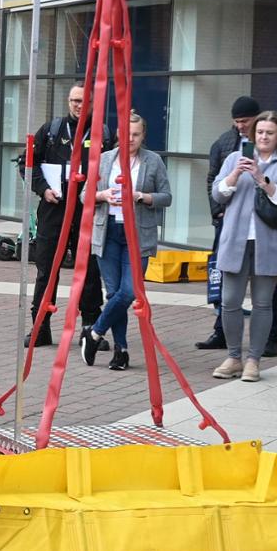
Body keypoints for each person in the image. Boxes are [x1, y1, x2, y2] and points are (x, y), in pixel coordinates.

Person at [210, 112, 277, 382]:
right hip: (235, 240)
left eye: (269, 133)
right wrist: (235, 175)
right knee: (229, 302)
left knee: (263, 304)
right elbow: (217, 194)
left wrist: (263, 178)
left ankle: (254, 360)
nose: (263, 137)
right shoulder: (233, 159)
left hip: (268, 243)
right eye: (259, 132)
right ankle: (233, 357)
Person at [81, 114, 170, 370]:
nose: (130, 139)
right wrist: (103, 194)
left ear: (143, 136)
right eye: (126, 133)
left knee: (129, 292)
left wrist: (141, 196)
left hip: (137, 234)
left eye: (136, 134)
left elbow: (166, 196)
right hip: (108, 232)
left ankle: (94, 333)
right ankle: (121, 351)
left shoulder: (153, 161)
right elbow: (84, 196)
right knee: (113, 294)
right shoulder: (106, 158)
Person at [29, 84, 114, 348]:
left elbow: (112, 168)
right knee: (47, 271)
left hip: (87, 212)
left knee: (88, 272)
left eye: (84, 101)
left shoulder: (103, 133)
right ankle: (40, 328)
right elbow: (27, 163)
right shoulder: (51, 131)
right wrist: (43, 190)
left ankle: (91, 329)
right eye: (75, 100)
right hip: (53, 211)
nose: (79, 105)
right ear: (68, 101)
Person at [196, 96, 261, 351]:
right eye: (237, 122)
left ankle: (270, 336)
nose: (241, 126)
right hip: (229, 220)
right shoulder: (224, 142)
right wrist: (217, 213)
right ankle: (221, 331)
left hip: (260, 223)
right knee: (222, 278)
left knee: (264, 284)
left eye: (245, 121)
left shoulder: (271, 139)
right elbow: (212, 178)